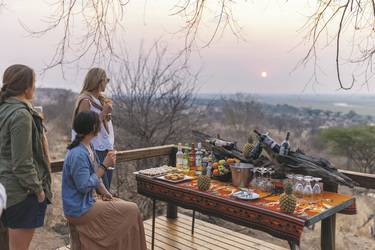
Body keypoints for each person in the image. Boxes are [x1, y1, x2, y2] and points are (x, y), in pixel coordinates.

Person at [62, 110, 146, 250]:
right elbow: (84, 186)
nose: (101, 126)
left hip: (88, 202)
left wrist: (105, 192)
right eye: (98, 123)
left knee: (126, 207)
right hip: (78, 209)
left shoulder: (89, 146)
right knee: (132, 209)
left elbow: (95, 176)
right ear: (94, 129)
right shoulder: (78, 154)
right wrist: (104, 166)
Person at [0, 64, 52, 249]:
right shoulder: (21, 114)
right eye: (34, 82)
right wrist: (39, 191)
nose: (35, 87)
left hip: (6, 191)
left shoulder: (3, 109)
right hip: (22, 194)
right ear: (25, 87)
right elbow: (22, 163)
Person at [71, 68, 114, 191]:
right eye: (107, 80)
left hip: (106, 149)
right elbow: (84, 128)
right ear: (101, 81)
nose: (107, 83)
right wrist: (104, 113)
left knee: (106, 190)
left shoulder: (100, 100)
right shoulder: (86, 100)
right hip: (94, 150)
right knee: (101, 192)